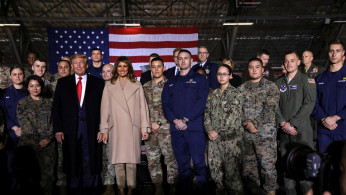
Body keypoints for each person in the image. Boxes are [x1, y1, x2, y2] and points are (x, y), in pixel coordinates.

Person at [53, 53, 104, 194]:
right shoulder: (62, 83)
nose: (79, 66)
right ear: (72, 66)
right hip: (70, 130)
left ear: (87, 65)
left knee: (91, 161)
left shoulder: (98, 83)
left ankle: (91, 189)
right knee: (72, 160)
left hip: (91, 129)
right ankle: (74, 189)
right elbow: (56, 108)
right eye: (75, 63)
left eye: (81, 63)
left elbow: (104, 109)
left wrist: (102, 129)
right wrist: (58, 129)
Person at [100, 56, 150, 195]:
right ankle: (121, 190)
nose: (122, 69)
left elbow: (143, 107)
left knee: (132, 161)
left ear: (129, 68)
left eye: (125, 66)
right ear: (116, 68)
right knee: (118, 161)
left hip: (132, 127)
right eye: (119, 66)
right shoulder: (109, 85)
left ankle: (130, 190)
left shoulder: (136, 84)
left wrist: (144, 128)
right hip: (115, 127)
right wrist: (104, 130)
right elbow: (104, 110)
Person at [162, 49, 209, 194]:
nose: (183, 61)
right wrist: (175, 120)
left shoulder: (199, 79)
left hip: (194, 129)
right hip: (177, 130)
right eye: (180, 58)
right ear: (177, 61)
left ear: (191, 60)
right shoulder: (170, 82)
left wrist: (185, 119)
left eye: (186, 58)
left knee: (199, 164)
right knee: (182, 166)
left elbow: (201, 103)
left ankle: (202, 191)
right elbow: (165, 104)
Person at [275, 51, 316, 195]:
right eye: (286, 61)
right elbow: (275, 106)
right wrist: (281, 123)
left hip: (301, 131)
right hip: (284, 132)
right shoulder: (278, 83)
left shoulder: (307, 80)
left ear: (298, 62)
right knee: (287, 169)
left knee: (305, 168)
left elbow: (309, 104)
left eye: (292, 60)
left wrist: (292, 124)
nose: (289, 63)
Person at [238, 58, 280, 195]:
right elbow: (239, 111)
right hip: (247, 135)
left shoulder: (271, 86)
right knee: (249, 170)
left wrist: (253, 124)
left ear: (263, 69)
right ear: (248, 70)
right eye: (251, 67)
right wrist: (246, 124)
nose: (254, 69)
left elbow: (270, 109)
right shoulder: (241, 89)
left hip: (265, 135)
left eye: (257, 67)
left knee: (268, 168)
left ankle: (271, 192)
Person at [204, 64, 244, 194]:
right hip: (214, 141)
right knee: (216, 175)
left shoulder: (236, 94)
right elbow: (207, 114)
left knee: (232, 177)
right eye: (219, 74)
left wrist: (217, 131)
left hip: (230, 142)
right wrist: (209, 130)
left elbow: (233, 118)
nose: (221, 77)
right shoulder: (212, 94)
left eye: (224, 74)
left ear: (230, 76)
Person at [143, 57, 178, 195]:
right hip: (150, 131)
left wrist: (158, 123)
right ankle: (158, 187)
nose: (156, 69)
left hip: (166, 129)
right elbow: (142, 109)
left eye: (159, 66)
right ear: (150, 69)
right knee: (152, 160)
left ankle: (172, 186)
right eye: (153, 66)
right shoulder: (145, 86)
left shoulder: (171, 85)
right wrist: (147, 124)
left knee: (170, 160)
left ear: (164, 68)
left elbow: (174, 108)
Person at [16, 75, 55, 194]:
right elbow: (24, 123)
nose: (35, 88)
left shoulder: (48, 103)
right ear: (27, 88)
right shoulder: (22, 103)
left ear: (41, 87)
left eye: (37, 85)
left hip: (48, 147)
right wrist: (38, 140)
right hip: (29, 146)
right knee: (29, 177)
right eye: (31, 86)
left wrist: (48, 138)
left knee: (48, 177)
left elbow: (54, 122)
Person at [312, 40, 346, 153]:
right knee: (324, 166)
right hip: (324, 131)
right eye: (331, 51)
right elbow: (314, 104)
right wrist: (324, 119)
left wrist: (336, 118)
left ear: (343, 53)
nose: (334, 54)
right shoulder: (319, 79)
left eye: (337, 51)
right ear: (328, 53)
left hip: (343, 130)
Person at [0, 66, 27, 191]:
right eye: (14, 74)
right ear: (10, 76)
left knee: (27, 165)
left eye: (20, 74)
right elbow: (3, 113)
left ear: (24, 75)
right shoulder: (4, 93)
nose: (17, 76)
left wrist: (25, 127)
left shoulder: (30, 91)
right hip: (11, 135)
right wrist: (14, 127)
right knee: (11, 165)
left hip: (28, 133)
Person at [100, 63, 116, 195]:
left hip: (113, 128)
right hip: (98, 128)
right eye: (103, 71)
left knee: (111, 157)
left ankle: (109, 185)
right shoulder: (96, 87)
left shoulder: (117, 88)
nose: (105, 73)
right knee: (101, 158)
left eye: (108, 71)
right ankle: (102, 184)